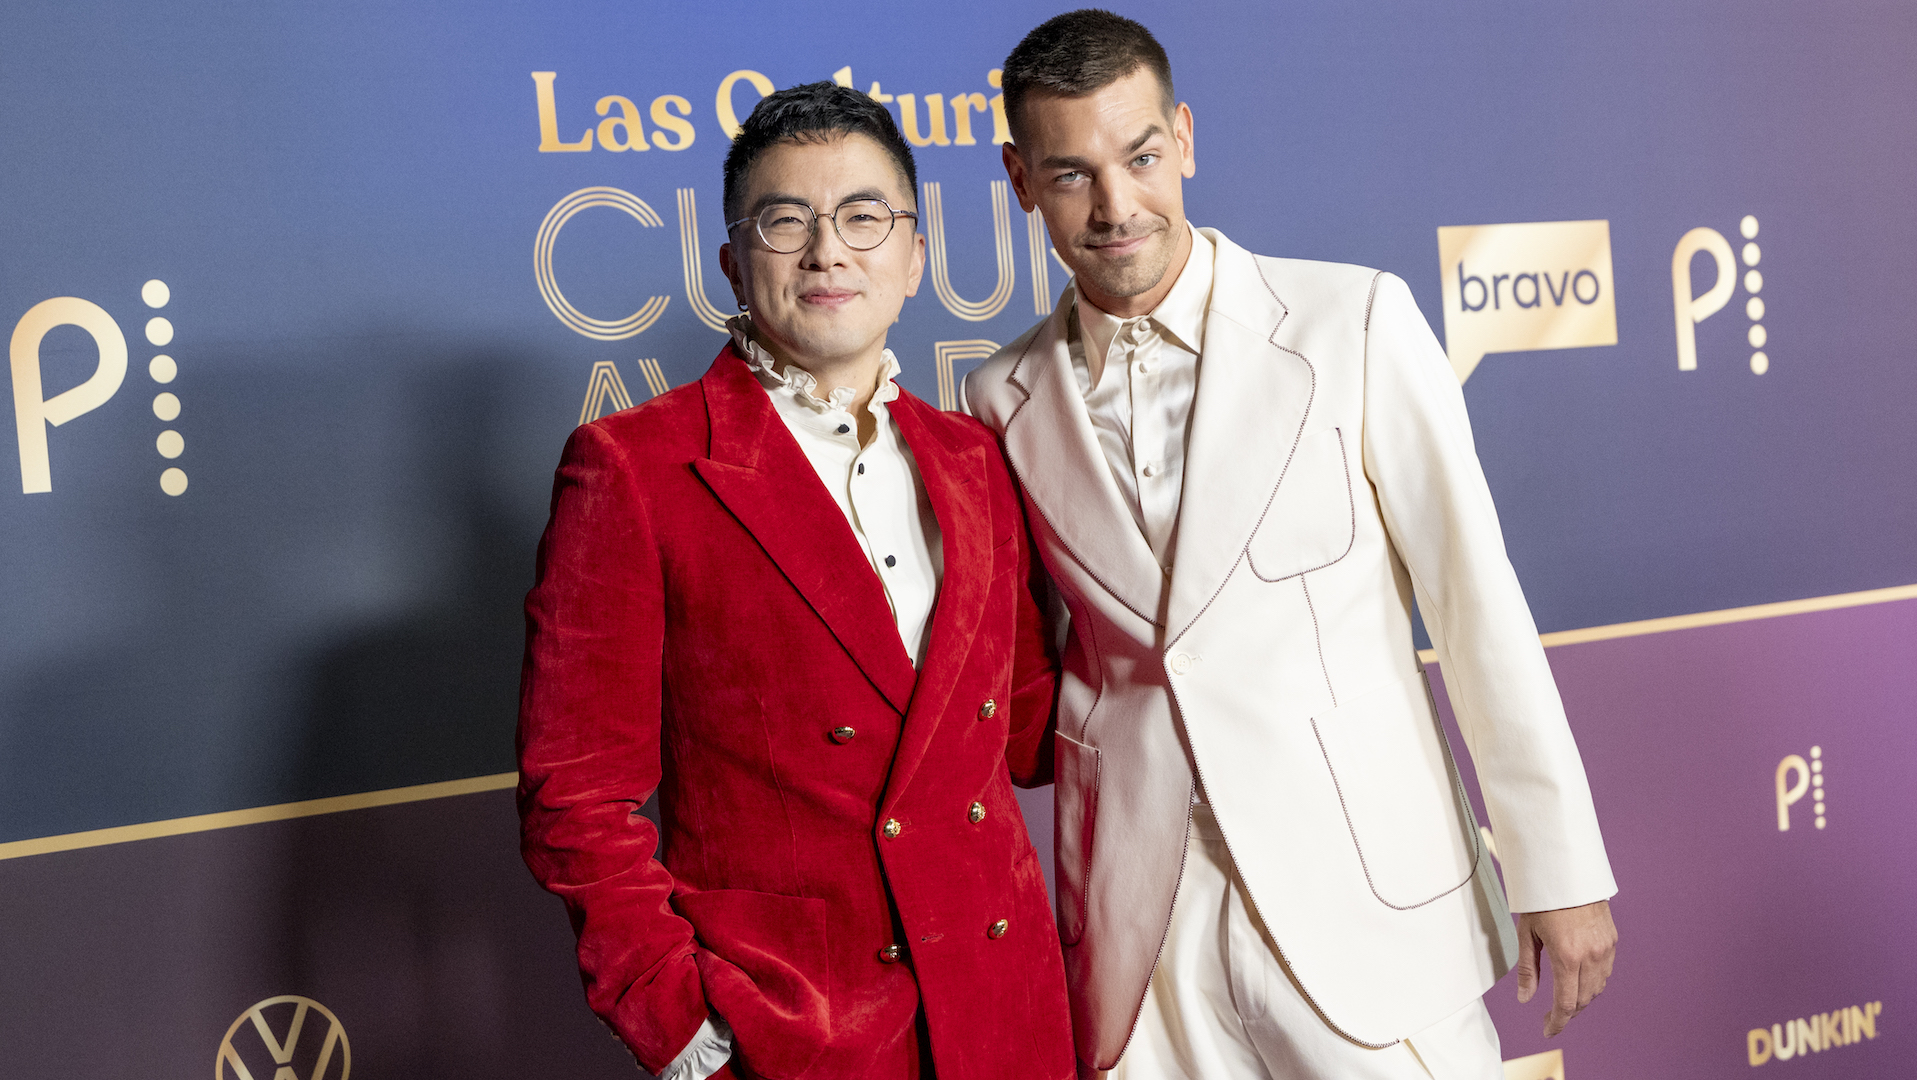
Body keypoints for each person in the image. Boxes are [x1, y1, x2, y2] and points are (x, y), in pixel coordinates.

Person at [961, 11, 1619, 1079]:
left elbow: (1472, 600)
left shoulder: (1351, 320)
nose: (1117, 206)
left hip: (1364, 902)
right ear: (1021, 178)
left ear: (1183, 136)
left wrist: (1559, 865)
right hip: (1143, 933)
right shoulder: (998, 397)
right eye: (1072, 173)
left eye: (1140, 157)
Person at [517, 82, 1075, 1080]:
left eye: (865, 216)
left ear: (913, 255)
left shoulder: (977, 459)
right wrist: (678, 1023)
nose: (829, 250)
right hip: (794, 1038)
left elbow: (1034, 730)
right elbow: (578, 796)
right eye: (787, 220)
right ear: (733, 262)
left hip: (1009, 1016)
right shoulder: (635, 467)